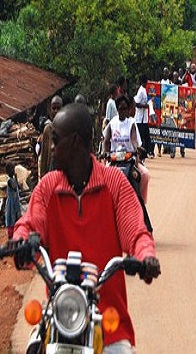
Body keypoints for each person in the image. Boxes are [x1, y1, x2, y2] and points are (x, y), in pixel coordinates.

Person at [13, 103, 160, 353]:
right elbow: (30, 221)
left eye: (56, 140)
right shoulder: (48, 187)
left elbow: (136, 232)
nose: (51, 147)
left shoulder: (114, 184)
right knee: (34, 347)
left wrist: (146, 256)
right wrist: (21, 241)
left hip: (108, 326)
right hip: (61, 316)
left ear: (75, 142)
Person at [103, 95, 150, 205]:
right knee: (102, 178)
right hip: (114, 158)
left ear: (128, 110)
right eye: (120, 108)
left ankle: (140, 203)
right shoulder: (112, 123)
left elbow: (133, 139)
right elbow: (106, 141)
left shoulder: (131, 123)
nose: (122, 111)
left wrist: (137, 148)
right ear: (117, 109)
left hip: (129, 158)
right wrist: (105, 152)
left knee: (145, 175)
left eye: (125, 109)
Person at [39, 95, 63, 179]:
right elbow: (44, 154)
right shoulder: (47, 129)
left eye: (58, 108)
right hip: (50, 173)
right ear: (50, 110)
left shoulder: (66, 128)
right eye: (54, 108)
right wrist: (42, 176)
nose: (56, 111)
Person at [134, 74, 150, 159]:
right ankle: (141, 155)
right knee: (142, 138)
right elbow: (136, 103)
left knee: (147, 138)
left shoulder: (144, 90)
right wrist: (145, 106)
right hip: (140, 119)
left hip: (144, 119)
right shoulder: (140, 91)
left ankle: (144, 154)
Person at [5, 162, 21, 240]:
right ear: (8, 171)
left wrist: (16, 179)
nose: (13, 170)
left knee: (16, 218)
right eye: (11, 169)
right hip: (11, 203)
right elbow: (15, 187)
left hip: (15, 202)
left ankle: (15, 234)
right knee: (11, 218)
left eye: (13, 169)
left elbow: (18, 187)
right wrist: (16, 177)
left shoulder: (13, 179)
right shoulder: (9, 180)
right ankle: (11, 236)